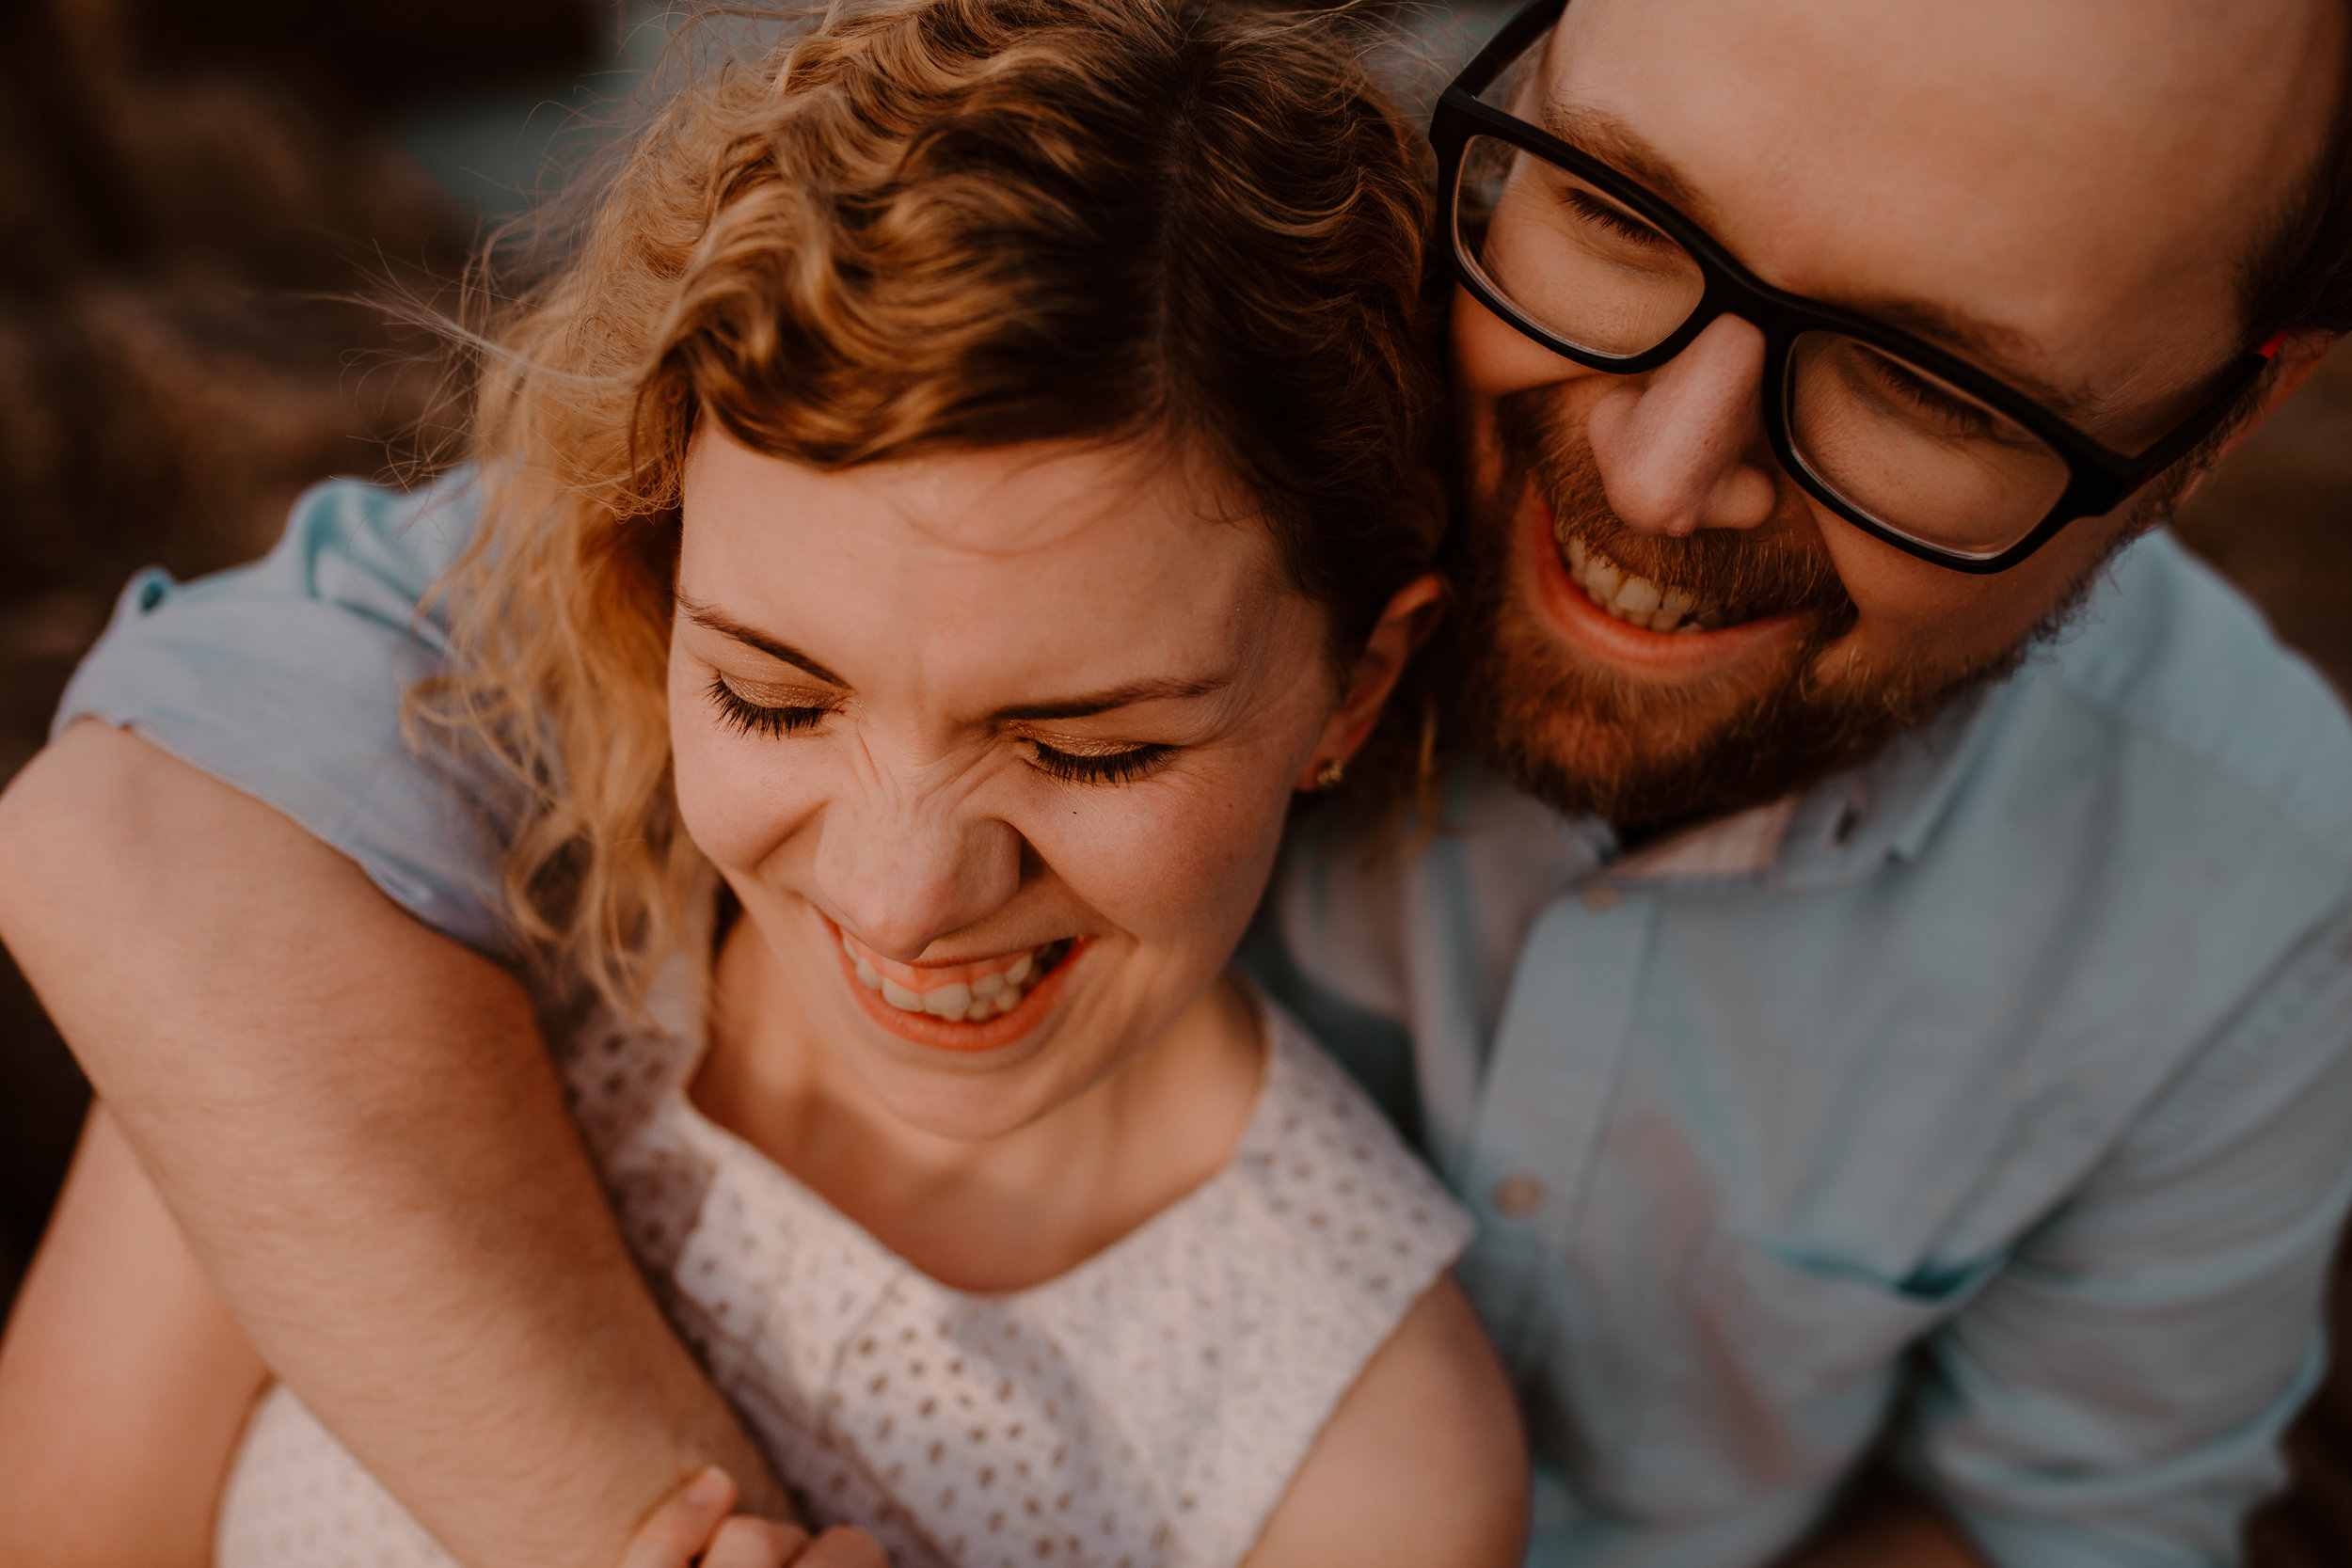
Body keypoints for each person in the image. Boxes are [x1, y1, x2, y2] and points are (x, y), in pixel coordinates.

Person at [3, 0, 2350, 1562]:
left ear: (2212, 425)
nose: (1659, 467)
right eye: (1616, 223)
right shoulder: (1177, 385)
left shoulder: (2250, 895)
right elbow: (159, 820)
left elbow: (2053, 1534)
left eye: (1930, 388)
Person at [0, 1, 1535, 1565]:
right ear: (657, 593)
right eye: (772, 698)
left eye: (1090, 747)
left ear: (1358, 685)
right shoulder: (360, 946)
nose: (901, 894)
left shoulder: (1364, 1458)